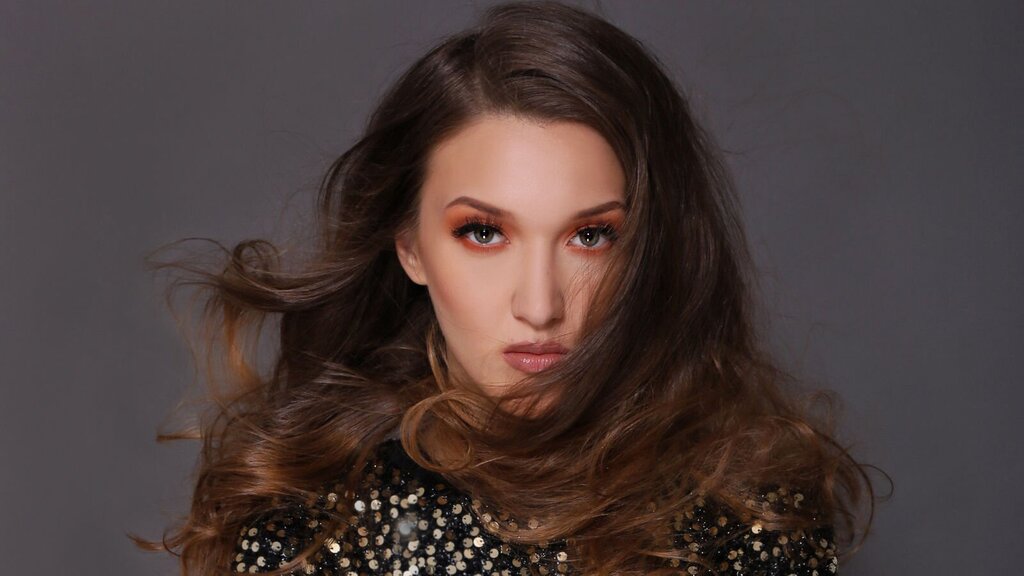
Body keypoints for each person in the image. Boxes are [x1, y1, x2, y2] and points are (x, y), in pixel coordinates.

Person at [143, 2, 876, 574]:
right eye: (484, 233)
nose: (540, 305)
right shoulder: (311, 524)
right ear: (409, 246)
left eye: (591, 236)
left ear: (653, 252)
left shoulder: (750, 519)